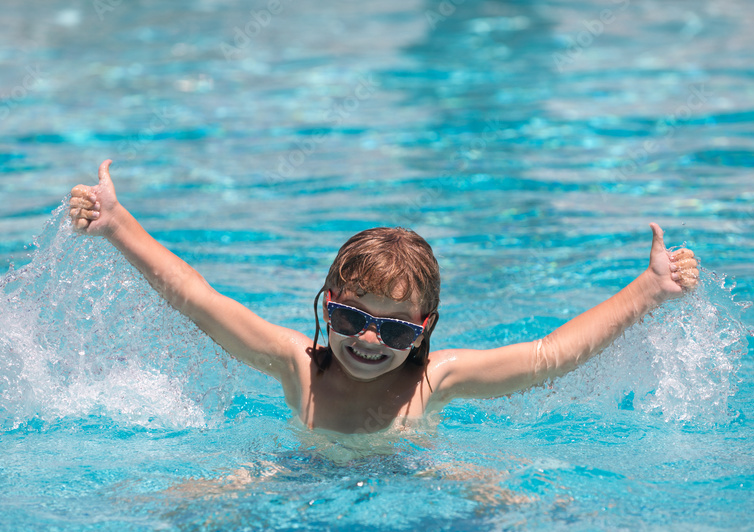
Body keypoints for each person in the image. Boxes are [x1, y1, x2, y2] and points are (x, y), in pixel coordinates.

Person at [69, 160, 699, 435]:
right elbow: (197, 298)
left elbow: (549, 356)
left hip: (419, 483)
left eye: (397, 330)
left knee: (514, 503)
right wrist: (119, 226)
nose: (370, 341)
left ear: (423, 330)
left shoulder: (438, 381)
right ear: (330, 303)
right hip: (302, 482)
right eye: (352, 318)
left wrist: (649, 290)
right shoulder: (297, 364)